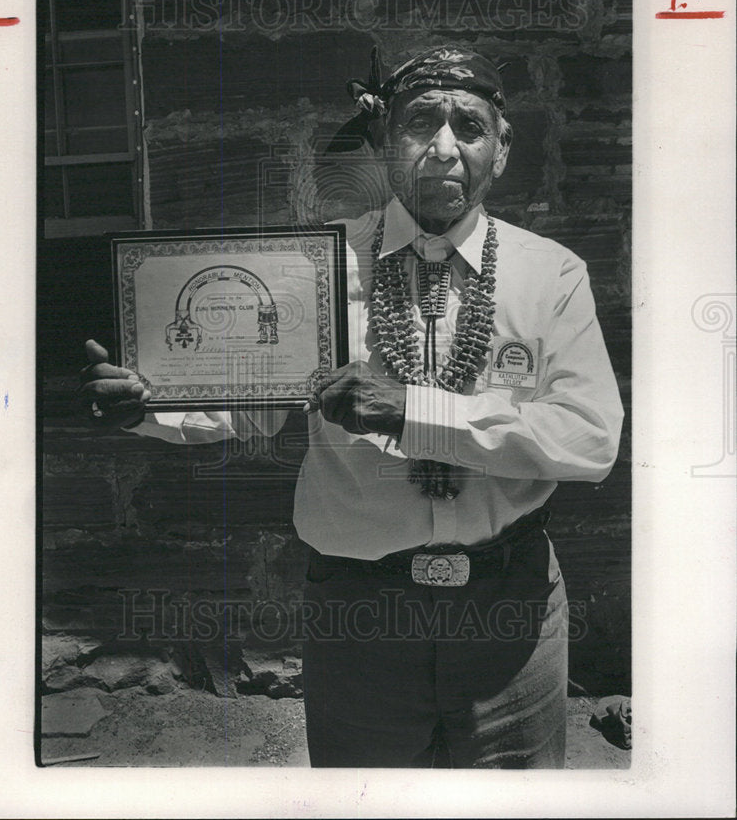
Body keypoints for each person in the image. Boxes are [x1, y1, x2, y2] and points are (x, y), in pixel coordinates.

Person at [79, 46, 624, 768]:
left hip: (510, 614)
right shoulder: (315, 265)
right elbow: (249, 406)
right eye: (419, 123)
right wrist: (151, 405)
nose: (444, 148)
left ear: (500, 149)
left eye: (469, 126)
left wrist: (412, 412)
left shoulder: (550, 273)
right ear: (379, 141)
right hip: (361, 616)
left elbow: (589, 441)